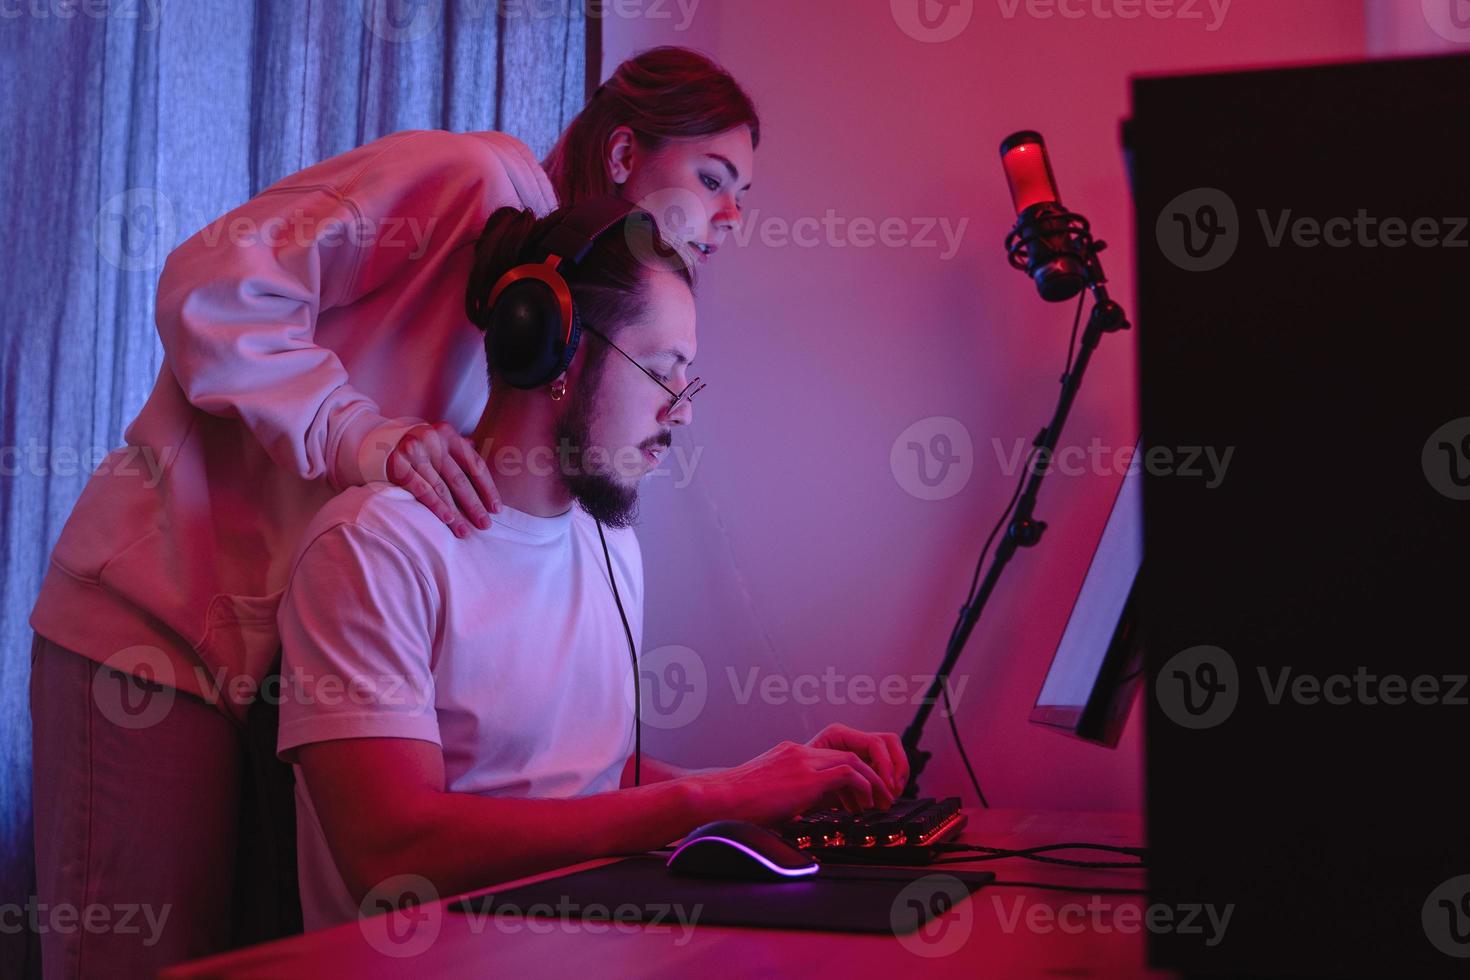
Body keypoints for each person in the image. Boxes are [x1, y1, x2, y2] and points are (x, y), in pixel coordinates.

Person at [27, 47, 758, 977]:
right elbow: (208, 283)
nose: (734, 215)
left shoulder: (551, 308)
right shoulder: (472, 180)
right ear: (621, 157)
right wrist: (356, 433)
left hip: (273, 662)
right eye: (715, 178)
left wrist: (751, 797)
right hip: (156, 621)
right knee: (140, 957)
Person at [278, 200, 908, 928]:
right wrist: (709, 802)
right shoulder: (375, 548)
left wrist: (774, 783)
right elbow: (389, 854)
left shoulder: (609, 546)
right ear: (560, 353)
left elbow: (588, 777)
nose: (682, 411)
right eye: (664, 372)